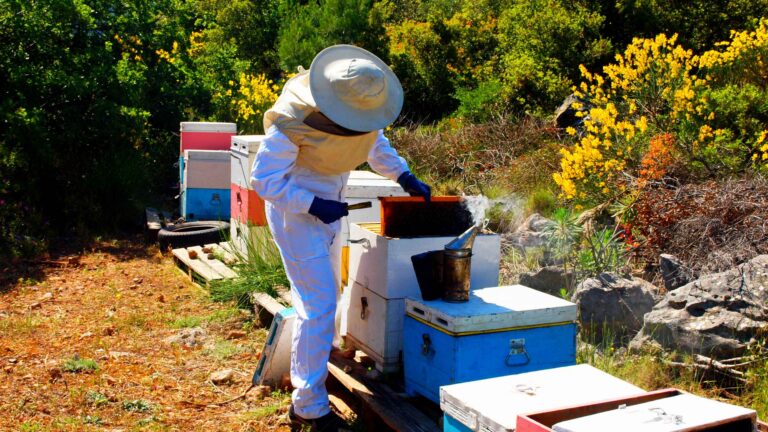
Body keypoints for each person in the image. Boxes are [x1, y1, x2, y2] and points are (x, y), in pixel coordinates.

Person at [250, 45, 431, 431]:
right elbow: (263, 180)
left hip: (331, 206)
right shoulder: (293, 120)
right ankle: (308, 406)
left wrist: (402, 176)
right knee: (316, 304)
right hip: (294, 211)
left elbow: (373, 144)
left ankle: (321, 357)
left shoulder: (359, 109)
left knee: (329, 290)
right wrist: (311, 203)